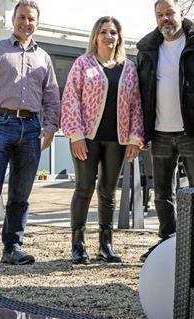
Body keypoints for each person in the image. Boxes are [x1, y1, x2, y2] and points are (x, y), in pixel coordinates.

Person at [136, 0, 194, 261]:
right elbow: (140, 93)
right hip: (160, 132)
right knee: (163, 193)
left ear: (182, 13)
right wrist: (140, 130)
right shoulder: (147, 49)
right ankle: (168, 242)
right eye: (159, 15)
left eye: (169, 13)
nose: (165, 19)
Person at [0, 0, 60, 270]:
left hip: (31, 130)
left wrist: (51, 127)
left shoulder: (43, 57)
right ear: (13, 19)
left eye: (31, 18)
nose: (26, 22)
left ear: (37, 22)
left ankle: (13, 247)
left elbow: (52, 96)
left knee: (20, 195)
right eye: (22, 17)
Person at [61, 16, 144, 264]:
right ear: (95, 36)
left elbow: (136, 105)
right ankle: (78, 244)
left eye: (113, 32)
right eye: (104, 32)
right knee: (84, 188)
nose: (109, 36)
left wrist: (135, 139)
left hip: (117, 140)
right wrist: (75, 135)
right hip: (86, 138)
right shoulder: (82, 64)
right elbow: (71, 99)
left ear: (119, 37)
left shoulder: (128, 68)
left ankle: (106, 244)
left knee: (108, 191)